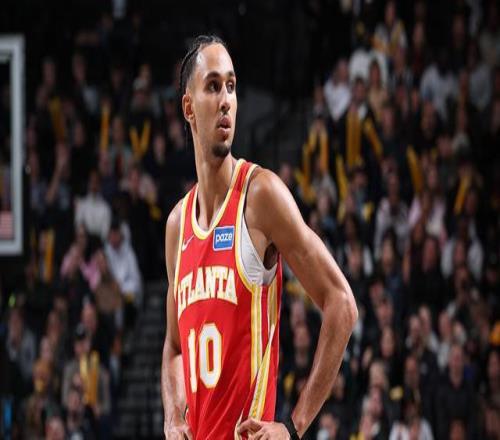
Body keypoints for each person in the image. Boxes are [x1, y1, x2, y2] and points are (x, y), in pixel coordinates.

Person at [161, 35, 358, 439]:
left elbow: (341, 303)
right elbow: (175, 347)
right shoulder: (178, 225)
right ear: (188, 108)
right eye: (213, 86)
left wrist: (293, 426)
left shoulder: (260, 195)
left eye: (231, 86)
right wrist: (173, 415)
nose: (226, 100)